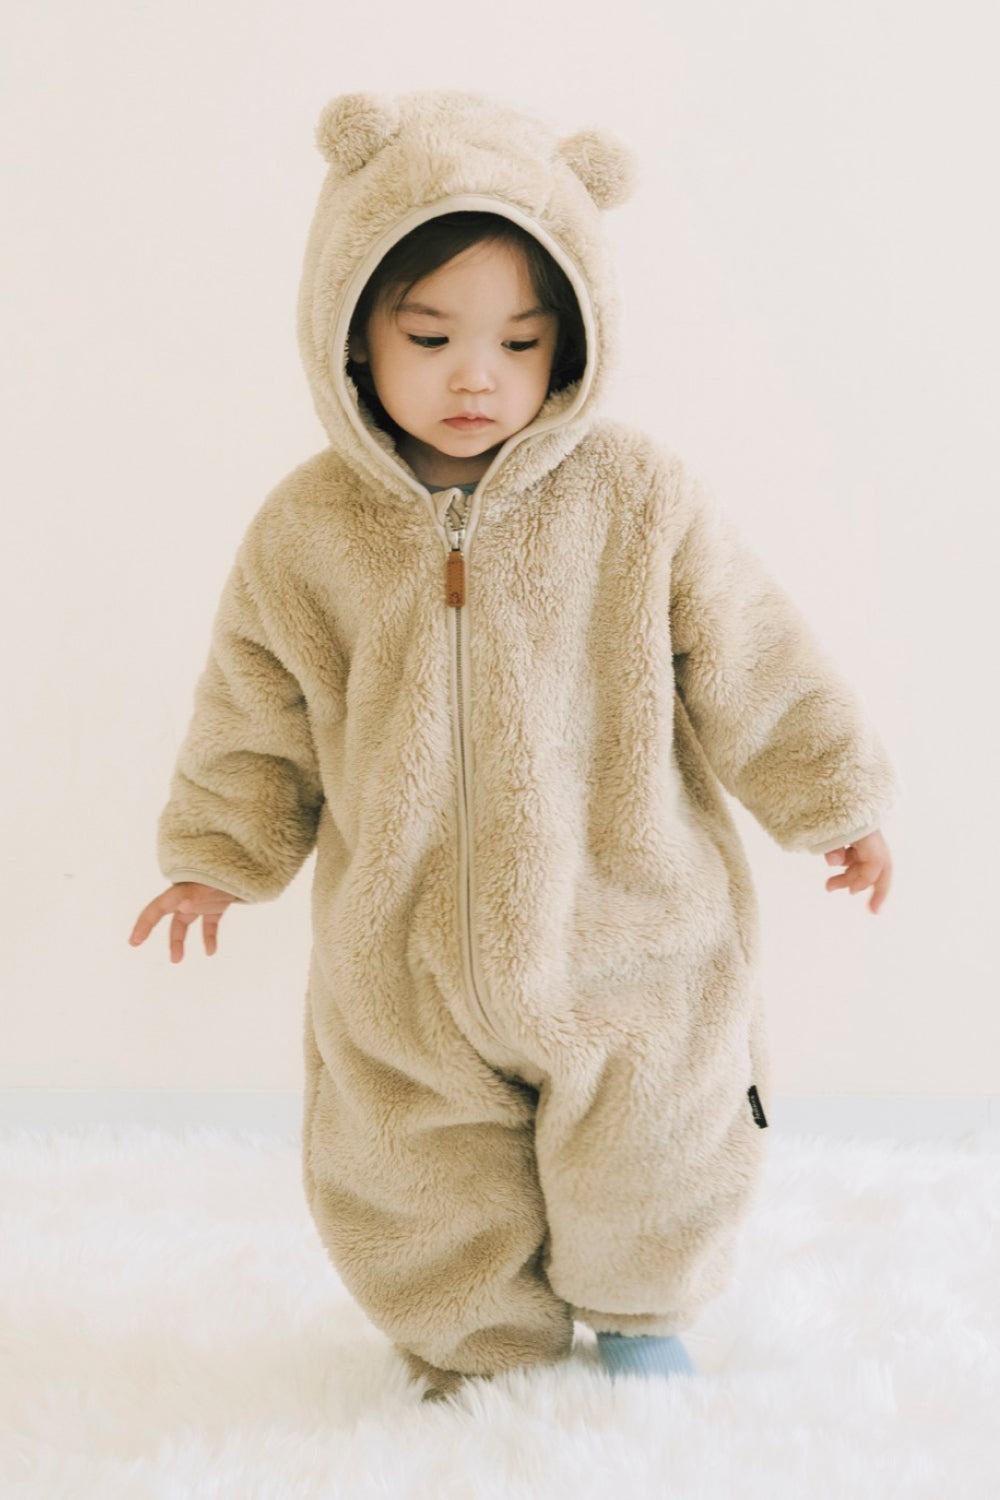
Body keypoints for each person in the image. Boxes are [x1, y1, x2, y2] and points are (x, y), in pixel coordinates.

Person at [129, 89, 899, 1402]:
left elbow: (753, 655)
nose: (474, 374)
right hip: (402, 949)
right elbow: (253, 709)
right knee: (410, 1165)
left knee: (661, 1135)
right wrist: (215, 853)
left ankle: (644, 1317)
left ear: (573, 341)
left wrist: (835, 795)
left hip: (630, 931)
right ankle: (476, 1353)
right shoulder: (308, 530)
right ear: (352, 332)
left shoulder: (637, 497)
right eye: (429, 336)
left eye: (520, 340)